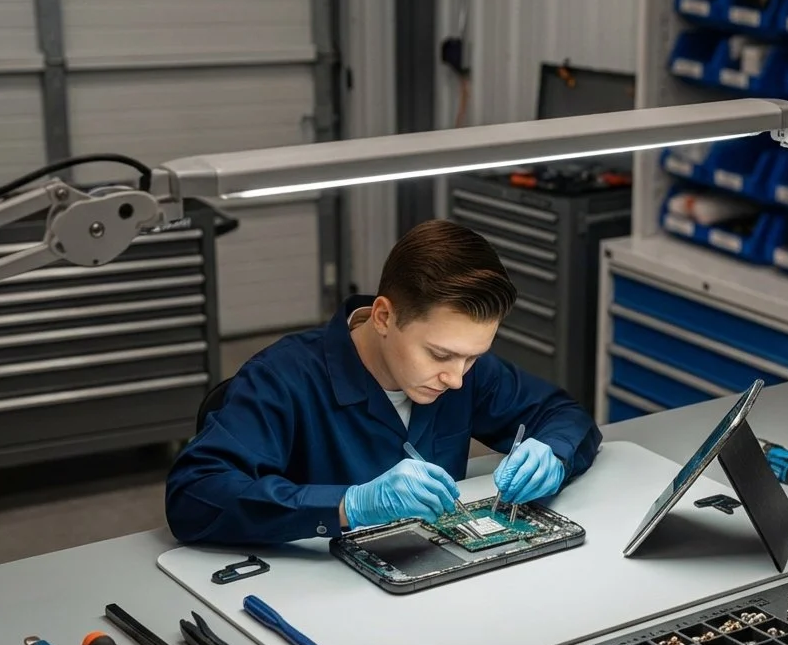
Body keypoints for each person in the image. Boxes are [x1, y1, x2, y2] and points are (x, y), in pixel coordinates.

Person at [165, 219, 603, 545]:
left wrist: (554, 454)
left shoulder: (465, 371)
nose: (455, 379)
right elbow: (194, 496)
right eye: (439, 354)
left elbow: (563, 415)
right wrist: (346, 505)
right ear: (384, 317)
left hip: (431, 574)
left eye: (473, 356)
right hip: (315, 597)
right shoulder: (281, 379)